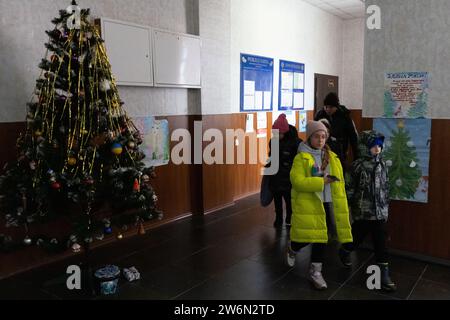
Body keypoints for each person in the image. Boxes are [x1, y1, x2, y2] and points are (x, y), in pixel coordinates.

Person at [287, 120, 352, 290]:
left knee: (321, 237)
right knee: (304, 238)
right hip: (309, 204)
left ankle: (316, 271)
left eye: (323, 137)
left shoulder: (332, 157)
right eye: (317, 136)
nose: (321, 140)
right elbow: (297, 182)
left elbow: (340, 182)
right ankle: (293, 247)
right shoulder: (301, 158)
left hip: (328, 202)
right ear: (309, 138)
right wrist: (321, 182)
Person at [339, 130, 397, 292]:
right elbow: (349, 188)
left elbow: (386, 187)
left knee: (381, 243)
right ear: (365, 147)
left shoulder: (383, 164)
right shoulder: (358, 166)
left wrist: (386, 206)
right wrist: (349, 207)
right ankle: (344, 251)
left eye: (379, 145)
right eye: (373, 146)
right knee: (356, 238)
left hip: (379, 213)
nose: (377, 149)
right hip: (363, 213)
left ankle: (383, 275)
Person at [268, 114, 301, 228]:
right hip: (276, 176)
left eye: (279, 133)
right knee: (277, 199)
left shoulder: (295, 142)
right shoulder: (273, 141)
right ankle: (278, 219)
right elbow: (271, 157)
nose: (276, 135)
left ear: (285, 131)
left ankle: (289, 218)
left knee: (289, 200)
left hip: (289, 176)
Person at [314, 92, 358, 167]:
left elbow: (353, 136)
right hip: (322, 151)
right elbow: (313, 132)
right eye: (326, 106)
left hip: (340, 152)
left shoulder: (344, 115)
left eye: (331, 107)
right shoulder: (320, 115)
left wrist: (356, 156)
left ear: (336, 107)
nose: (328, 109)